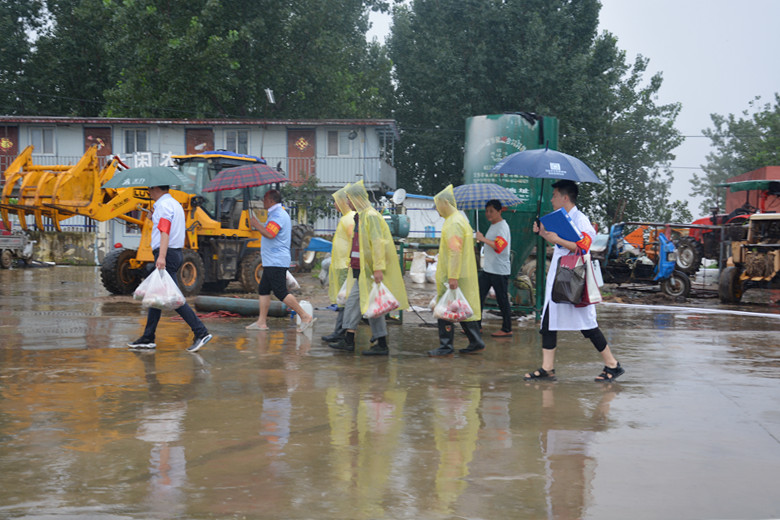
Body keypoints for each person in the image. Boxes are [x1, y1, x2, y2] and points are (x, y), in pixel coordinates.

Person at [524, 180, 624, 382]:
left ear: (565, 197)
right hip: (560, 276)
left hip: (574, 278)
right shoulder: (562, 219)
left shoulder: (581, 220)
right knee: (548, 321)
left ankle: (612, 364)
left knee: (587, 324)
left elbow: (583, 247)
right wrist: (542, 233)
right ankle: (547, 368)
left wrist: (557, 239)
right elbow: (560, 244)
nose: (551, 199)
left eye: (554, 196)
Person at [328, 180, 409, 356]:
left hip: (370, 271)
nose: (347, 202)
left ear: (356, 199)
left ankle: (360, 342)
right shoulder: (361, 216)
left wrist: (378, 268)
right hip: (361, 269)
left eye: (349, 199)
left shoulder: (370, 216)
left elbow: (378, 243)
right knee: (364, 305)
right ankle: (359, 340)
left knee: (365, 305)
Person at [128, 185, 212, 352]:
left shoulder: (163, 206)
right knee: (156, 297)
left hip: (166, 254)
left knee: (174, 299)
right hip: (174, 252)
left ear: (156, 189)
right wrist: (154, 217)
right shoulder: (174, 204)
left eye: (150, 189)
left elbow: (165, 231)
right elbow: (168, 227)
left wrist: (161, 256)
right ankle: (148, 337)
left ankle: (201, 332)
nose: (149, 193)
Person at [246, 189, 316, 332]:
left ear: (271, 200)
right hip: (271, 259)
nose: (263, 202)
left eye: (265, 199)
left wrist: (257, 225)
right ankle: (261, 322)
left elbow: (270, 234)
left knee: (280, 292)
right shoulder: (275, 214)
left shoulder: (277, 215)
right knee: (263, 289)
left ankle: (304, 316)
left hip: (276, 260)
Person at [428, 185, 485, 356]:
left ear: (445, 203)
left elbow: (455, 251)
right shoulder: (458, 219)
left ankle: (446, 346)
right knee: (461, 308)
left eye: (438, 205)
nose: (437, 209)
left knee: (446, 310)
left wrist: (452, 276)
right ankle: (475, 341)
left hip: (454, 274)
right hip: (461, 273)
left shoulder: (453, 222)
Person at [321, 184, 356, 343]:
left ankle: (340, 332)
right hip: (342, 264)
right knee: (344, 299)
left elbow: (354, 239)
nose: (334, 204)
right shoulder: (346, 217)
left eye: (335, 201)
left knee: (344, 300)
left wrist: (350, 260)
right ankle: (341, 331)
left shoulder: (349, 218)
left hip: (344, 265)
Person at [475, 199, 513, 337]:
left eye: (491, 211)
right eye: (486, 211)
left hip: (499, 270)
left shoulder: (502, 226)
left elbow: (499, 246)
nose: (488, 214)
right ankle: (476, 326)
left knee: (502, 300)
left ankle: (507, 329)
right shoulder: (493, 225)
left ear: (499, 211)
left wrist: (483, 239)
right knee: (478, 296)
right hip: (488, 269)